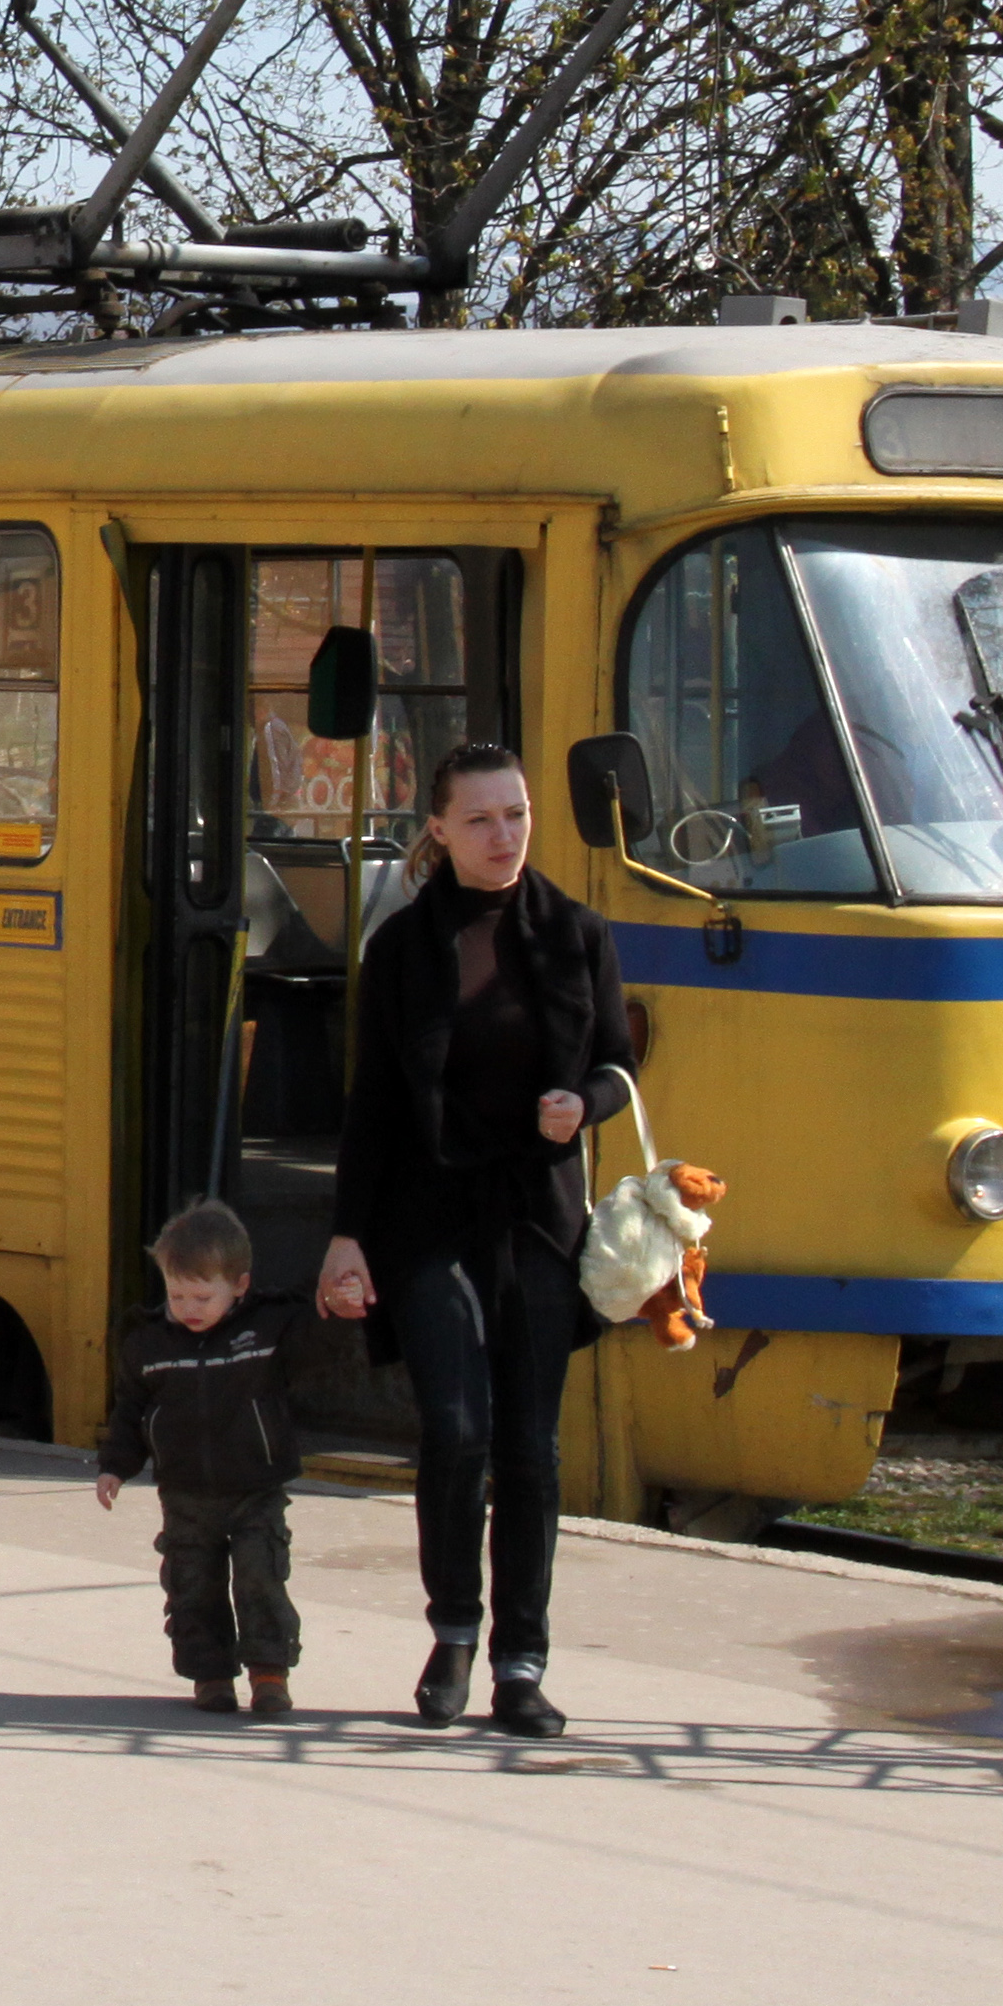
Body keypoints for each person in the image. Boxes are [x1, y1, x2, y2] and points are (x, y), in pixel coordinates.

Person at [318, 737, 638, 1740]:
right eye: (483, 820)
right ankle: (454, 1632)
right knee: (455, 1433)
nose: (505, 836)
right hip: (429, 1222)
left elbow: (623, 1067)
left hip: (538, 1223)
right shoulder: (404, 950)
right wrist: (346, 1238)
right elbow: (372, 1105)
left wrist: (579, 1108)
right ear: (440, 832)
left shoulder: (576, 934)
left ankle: (522, 1665)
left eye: (518, 815)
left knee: (530, 1451)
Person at [94, 1198, 304, 1719]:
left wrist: (342, 1302)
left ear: (240, 1286)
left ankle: (269, 1673)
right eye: (175, 1293)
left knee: (261, 1574)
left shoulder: (270, 1327)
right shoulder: (148, 1342)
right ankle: (210, 1675)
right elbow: (131, 1410)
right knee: (193, 1582)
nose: (188, 1307)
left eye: (202, 1296)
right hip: (185, 1490)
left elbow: (320, 1333)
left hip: (256, 1485)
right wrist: (115, 1465)